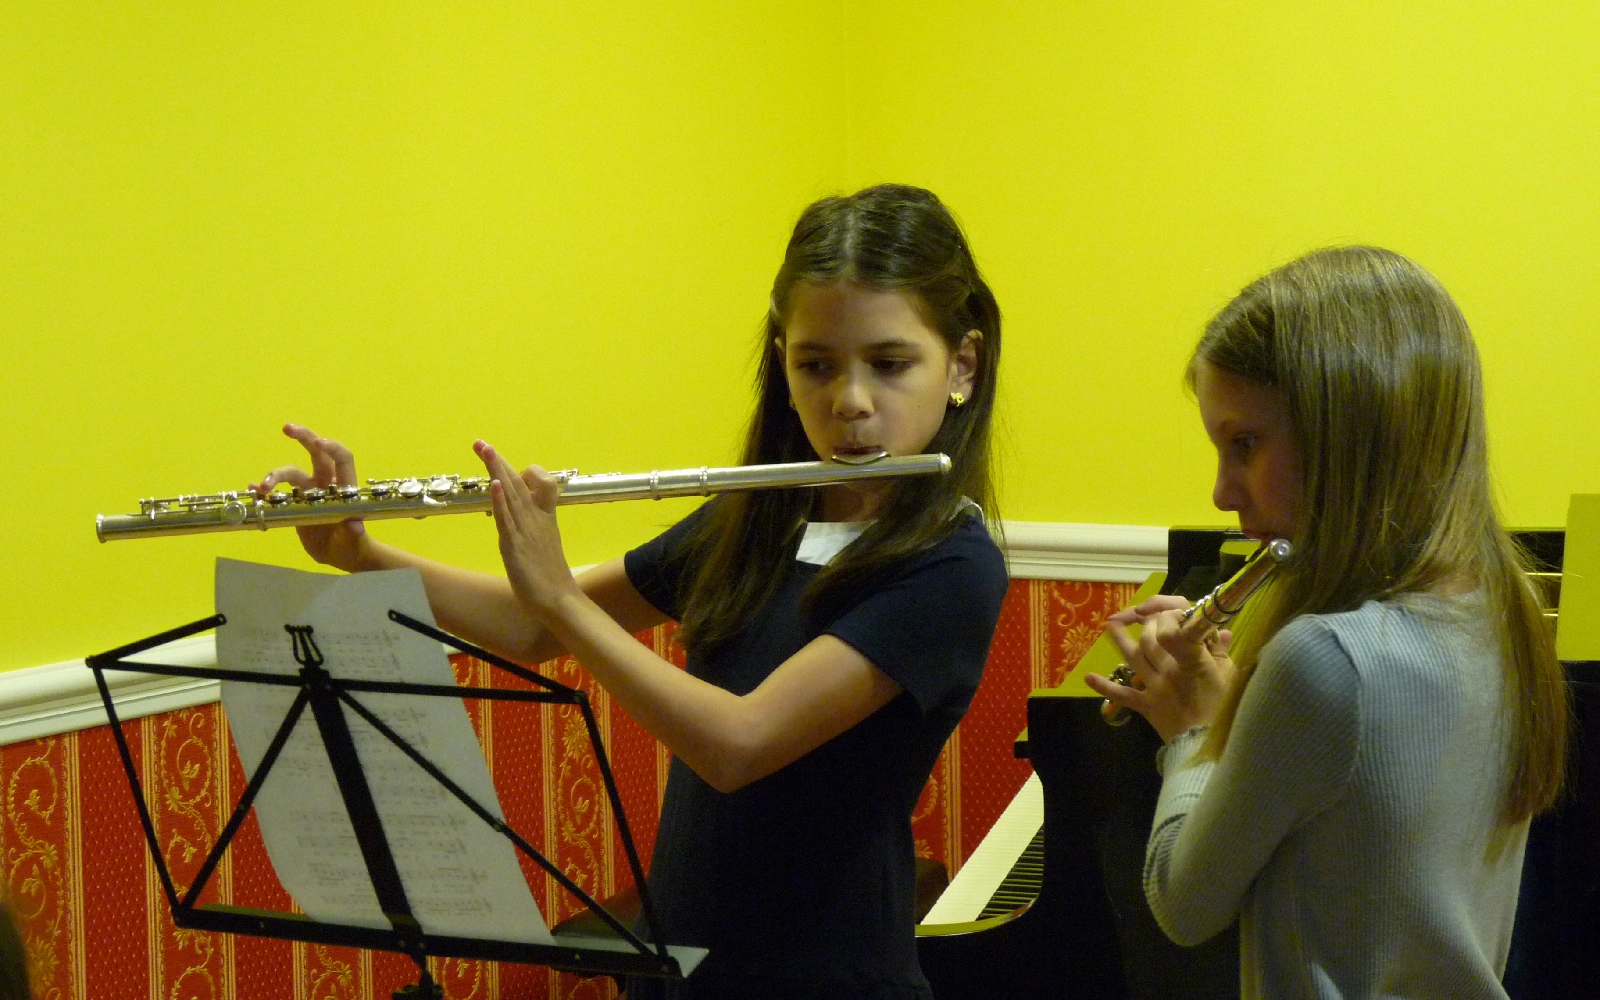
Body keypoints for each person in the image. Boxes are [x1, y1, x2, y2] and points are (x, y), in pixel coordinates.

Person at [255, 183, 1009, 999]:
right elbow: (529, 627)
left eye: (890, 365)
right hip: (682, 963)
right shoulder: (764, 517)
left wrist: (561, 599)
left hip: (827, 977)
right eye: (815, 365)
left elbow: (738, 745)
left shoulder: (951, 566)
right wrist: (360, 553)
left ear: (961, 367)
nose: (850, 402)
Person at [1086, 246, 1568, 999]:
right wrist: (1239, 712)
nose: (1221, 493)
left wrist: (1192, 730)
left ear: (1351, 438)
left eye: (1245, 445)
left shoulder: (1326, 659)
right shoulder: (1506, 605)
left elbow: (1183, 904)